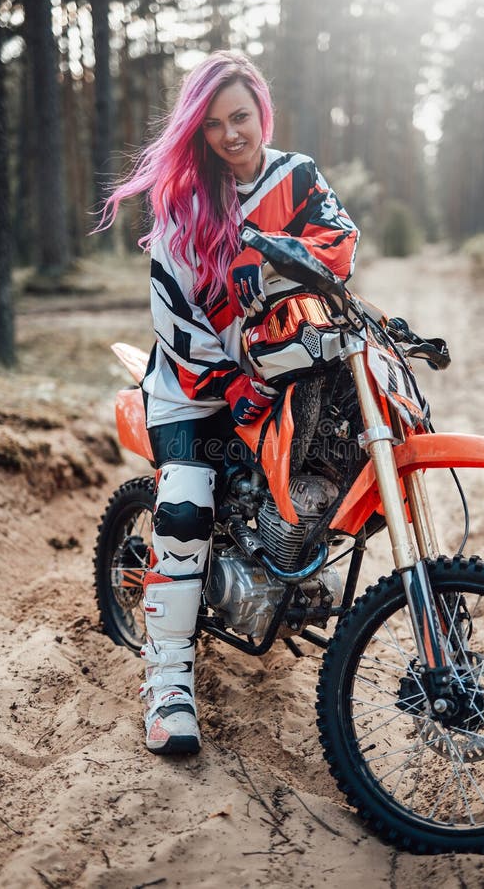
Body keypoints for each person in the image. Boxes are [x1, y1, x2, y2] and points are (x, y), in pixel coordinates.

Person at [98, 50, 359, 755]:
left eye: (239, 117)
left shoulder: (297, 175)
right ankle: (167, 687)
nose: (229, 135)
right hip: (192, 387)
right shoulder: (182, 203)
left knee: (334, 462)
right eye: (213, 124)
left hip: (278, 373)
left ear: (261, 112)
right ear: (198, 131)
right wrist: (235, 383)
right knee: (184, 513)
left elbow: (339, 246)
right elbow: (178, 324)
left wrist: (261, 259)